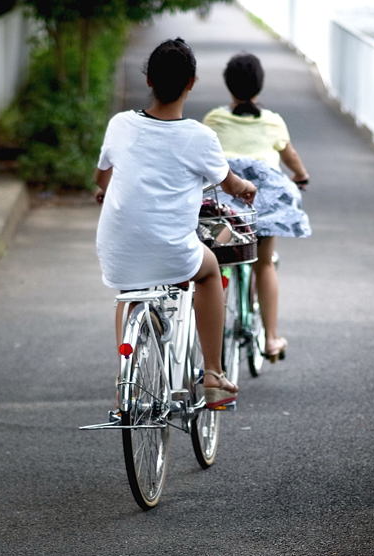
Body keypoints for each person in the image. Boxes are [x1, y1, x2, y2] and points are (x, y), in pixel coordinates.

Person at [94, 38, 257, 409]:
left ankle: (127, 379)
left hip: (118, 249)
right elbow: (230, 184)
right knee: (210, 269)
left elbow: (102, 175)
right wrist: (245, 187)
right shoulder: (199, 137)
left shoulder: (120, 124)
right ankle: (213, 374)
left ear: (148, 80)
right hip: (172, 250)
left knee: (131, 289)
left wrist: (103, 191)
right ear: (192, 83)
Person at [203, 52, 311, 362]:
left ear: (228, 86)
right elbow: (290, 157)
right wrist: (301, 177)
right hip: (260, 201)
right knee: (263, 263)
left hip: (223, 200)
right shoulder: (273, 121)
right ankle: (272, 338)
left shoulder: (214, 119)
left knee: (218, 262)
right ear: (259, 86)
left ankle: (213, 335)